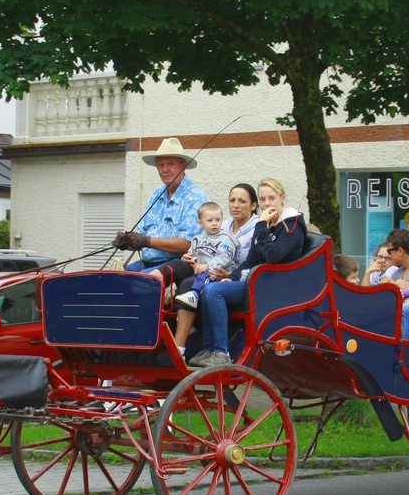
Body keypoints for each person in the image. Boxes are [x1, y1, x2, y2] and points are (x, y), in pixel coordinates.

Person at [191, 178, 308, 368]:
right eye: (263, 199)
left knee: (215, 291)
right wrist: (232, 277)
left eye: (271, 198)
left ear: (282, 199)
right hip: (256, 281)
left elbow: (273, 256)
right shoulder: (267, 224)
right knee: (210, 288)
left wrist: (261, 225)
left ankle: (222, 353)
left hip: (275, 286)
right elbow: (250, 260)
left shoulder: (291, 225)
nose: (266, 204)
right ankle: (209, 348)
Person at [113, 137, 210, 280]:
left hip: (178, 265)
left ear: (183, 166)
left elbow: (188, 244)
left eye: (170, 164)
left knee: (132, 281)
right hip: (147, 263)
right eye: (160, 165)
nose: (165, 170)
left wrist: (146, 241)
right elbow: (143, 236)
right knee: (114, 278)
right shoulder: (156, 195)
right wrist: (128, 242)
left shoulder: (195, 197)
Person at [171, 202, 241, 348]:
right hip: (200, 272)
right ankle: (182, 320)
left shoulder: (225, 239)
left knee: (207, 274)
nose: (214, 223)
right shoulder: (197, 239)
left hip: (218, 274)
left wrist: (206, 266)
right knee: (185, 283)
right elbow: (193, 254)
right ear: (201, 223)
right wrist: (191, 261)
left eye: (218, 220)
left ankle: (195, 294)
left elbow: (224, 259)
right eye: (210, 221)